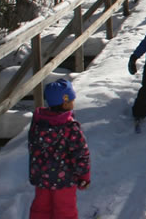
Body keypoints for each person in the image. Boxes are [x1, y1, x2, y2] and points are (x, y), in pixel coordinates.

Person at [28, 79, 91, 219]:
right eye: (72, 99)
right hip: (64, 180)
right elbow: (81, 154)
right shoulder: (70, 127)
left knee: (41, 209)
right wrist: (83, 177)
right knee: (65, 211)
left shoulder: (38, 122)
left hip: (42, 179)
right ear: (65, 102)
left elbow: (32, 146)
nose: (74, 102)